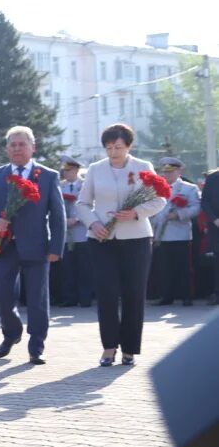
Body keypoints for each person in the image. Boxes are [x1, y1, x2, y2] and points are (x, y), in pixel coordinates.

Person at [76, 123, 166, 366]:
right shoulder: (95, 169)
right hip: (102, 239)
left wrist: (136, 212)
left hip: (136, 238)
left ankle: (129, 349)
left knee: (134, 294)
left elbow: (160, 199)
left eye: (118, 147)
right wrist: (93, 224)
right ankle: (108, 347)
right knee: (106, 294)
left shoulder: (143, 167)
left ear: (128, 146)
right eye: (108, 148)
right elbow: (82, 204)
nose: (113, 152)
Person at [0, 126, 65, 365]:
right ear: (6, 149)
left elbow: (57, 215)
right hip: (4, 246)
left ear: (32, 147)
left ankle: (36, 345)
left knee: (37, 298)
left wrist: (56, 247)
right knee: (3, 296)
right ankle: (11, 333)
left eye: (21, 144)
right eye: (12, 144)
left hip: (37, 247)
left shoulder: (47, 176)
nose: (16, 148)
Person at [150, 157, 200, 306]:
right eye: (165, 172)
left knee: (182, 267)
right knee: (164, 268)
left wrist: (178, 214)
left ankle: (186, 295)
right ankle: (167, 296)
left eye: (171, 172)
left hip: (180, 233)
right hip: (160, 234)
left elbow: (196, 208)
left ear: (179, 171)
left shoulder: (189, 188)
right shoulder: (156, 189)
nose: (167, 175)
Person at [58, 156, 92, 307]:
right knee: (67, 268)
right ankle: (69, 298)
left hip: (83, 233)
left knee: (85, 268)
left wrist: (77, 219)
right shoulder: (59, 186)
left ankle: (85, 298)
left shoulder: (86, 185)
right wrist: (64, 221)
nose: (66, 173)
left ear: (77, 170)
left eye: (69, 170)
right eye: (64, 170)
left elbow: (91, 206)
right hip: (66, 234)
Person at [203, 170, 219, 305]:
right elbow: (205, 202)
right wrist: (215, 220)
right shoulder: (213, 178)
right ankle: (217, 292)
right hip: (216, 227)